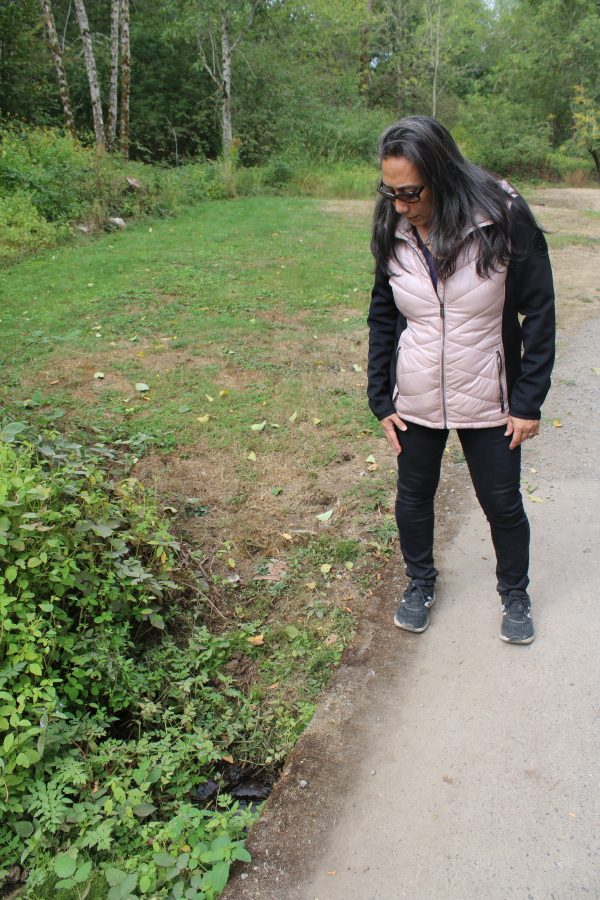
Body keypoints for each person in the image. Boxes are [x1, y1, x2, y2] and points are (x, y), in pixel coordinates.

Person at [367, 116, 555, 644]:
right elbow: (384, 314)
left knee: (501, 502)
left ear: (443, 175)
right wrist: (380, 396)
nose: (399, 203)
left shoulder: (503, 215)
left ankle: (514, 593)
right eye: (389, 190)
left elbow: (538, 309)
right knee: (413, 494)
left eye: (410, 192)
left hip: (492, 396)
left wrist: (529, 400)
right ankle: (420, 582)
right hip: (417, 393)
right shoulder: (393, 225)